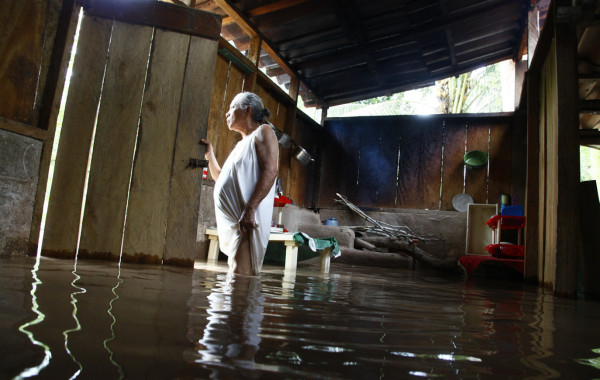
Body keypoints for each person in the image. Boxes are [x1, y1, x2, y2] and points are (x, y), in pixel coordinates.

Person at [201, 92, 279, 276]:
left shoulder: (263, 132)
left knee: (240, 274)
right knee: (237, 274)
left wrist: (250, 209)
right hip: (237, 223)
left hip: (246, 222)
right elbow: (221, 178)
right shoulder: (241, 145)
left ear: (247, 110)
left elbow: (271, 171)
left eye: (232, 108)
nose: (227, 113)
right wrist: (210, 156)